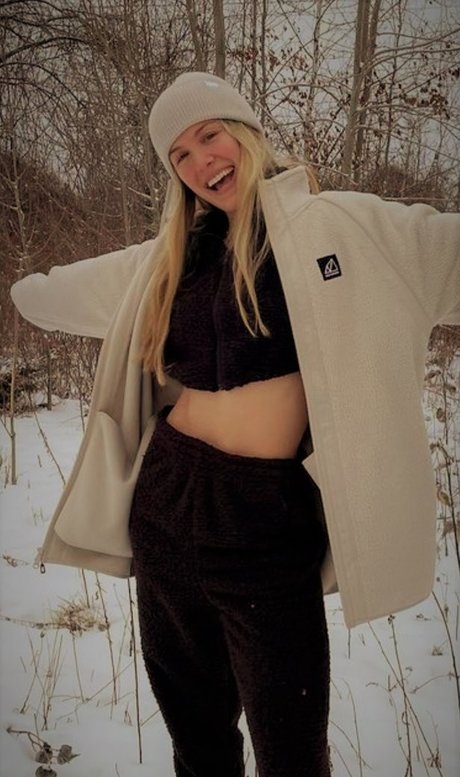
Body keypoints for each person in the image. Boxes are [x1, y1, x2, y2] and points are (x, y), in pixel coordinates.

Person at [10, 72, 460, 777]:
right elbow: (53, 294)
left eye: (209, 135)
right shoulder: (171, 257)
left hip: (265, 517)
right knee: (198, 742)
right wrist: (22, 286)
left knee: (292, 752)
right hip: (166, 501)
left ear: (244, 130)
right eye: (179, 156)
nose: (201, 161)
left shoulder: (349, 227)